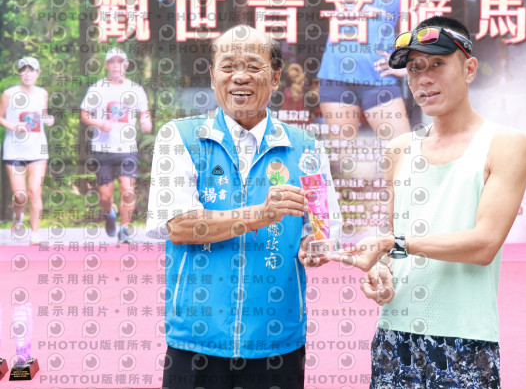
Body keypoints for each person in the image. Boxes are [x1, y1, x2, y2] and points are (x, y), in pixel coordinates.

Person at [330, 16, 526, 387]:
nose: (424, 79)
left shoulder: (505, 144)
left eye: (438, 64)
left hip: (465, 337)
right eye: (415, 68)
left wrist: (395, 244)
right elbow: (393, 243)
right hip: (394, 334)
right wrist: (382, 271)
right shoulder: (399, 149)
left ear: (469, 69)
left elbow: (484, 245)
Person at [146, 25, 341, 389]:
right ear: (212, 76)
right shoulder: (181, 137)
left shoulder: (307, 148)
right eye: (228, 66)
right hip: (197, 338)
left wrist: (314, 246)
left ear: (276, 76)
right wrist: (261, 215)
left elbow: (321, 231)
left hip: (277, 338)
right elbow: (180, 226)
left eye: (253, 66)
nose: (239, 76)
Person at [300, 0, 414, 138]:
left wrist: (408, 64)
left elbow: (420, 31)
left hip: (380, 78)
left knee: (403, 148)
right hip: (336, 78)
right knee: (343, 153)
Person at [80, 48, 152, 244]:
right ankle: (109, 212)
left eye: (120, 62)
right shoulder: (97, 88)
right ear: (106, 65)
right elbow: (84, 114)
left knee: (127, 191)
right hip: (103, 149)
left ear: (126, 65)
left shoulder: (135, 89)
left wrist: (146, 121)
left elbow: (144, 112)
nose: (116, 65)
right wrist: (98, 123)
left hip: (127, 149)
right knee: (105, 196)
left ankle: (125, 229)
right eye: (112, 62)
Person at [0, 57, 54, 245]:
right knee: (20, 195)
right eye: (24, 70)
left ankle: (35, 234)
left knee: (34, 192)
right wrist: (13, 126)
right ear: (19, 73)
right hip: (14, 150)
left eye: (32, 70)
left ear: (38, 73)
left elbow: (43, 114)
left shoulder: (42, 93)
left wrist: (49, 119)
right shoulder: (9, 93)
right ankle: (18, 215)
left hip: (38, 150)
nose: (28, 74)